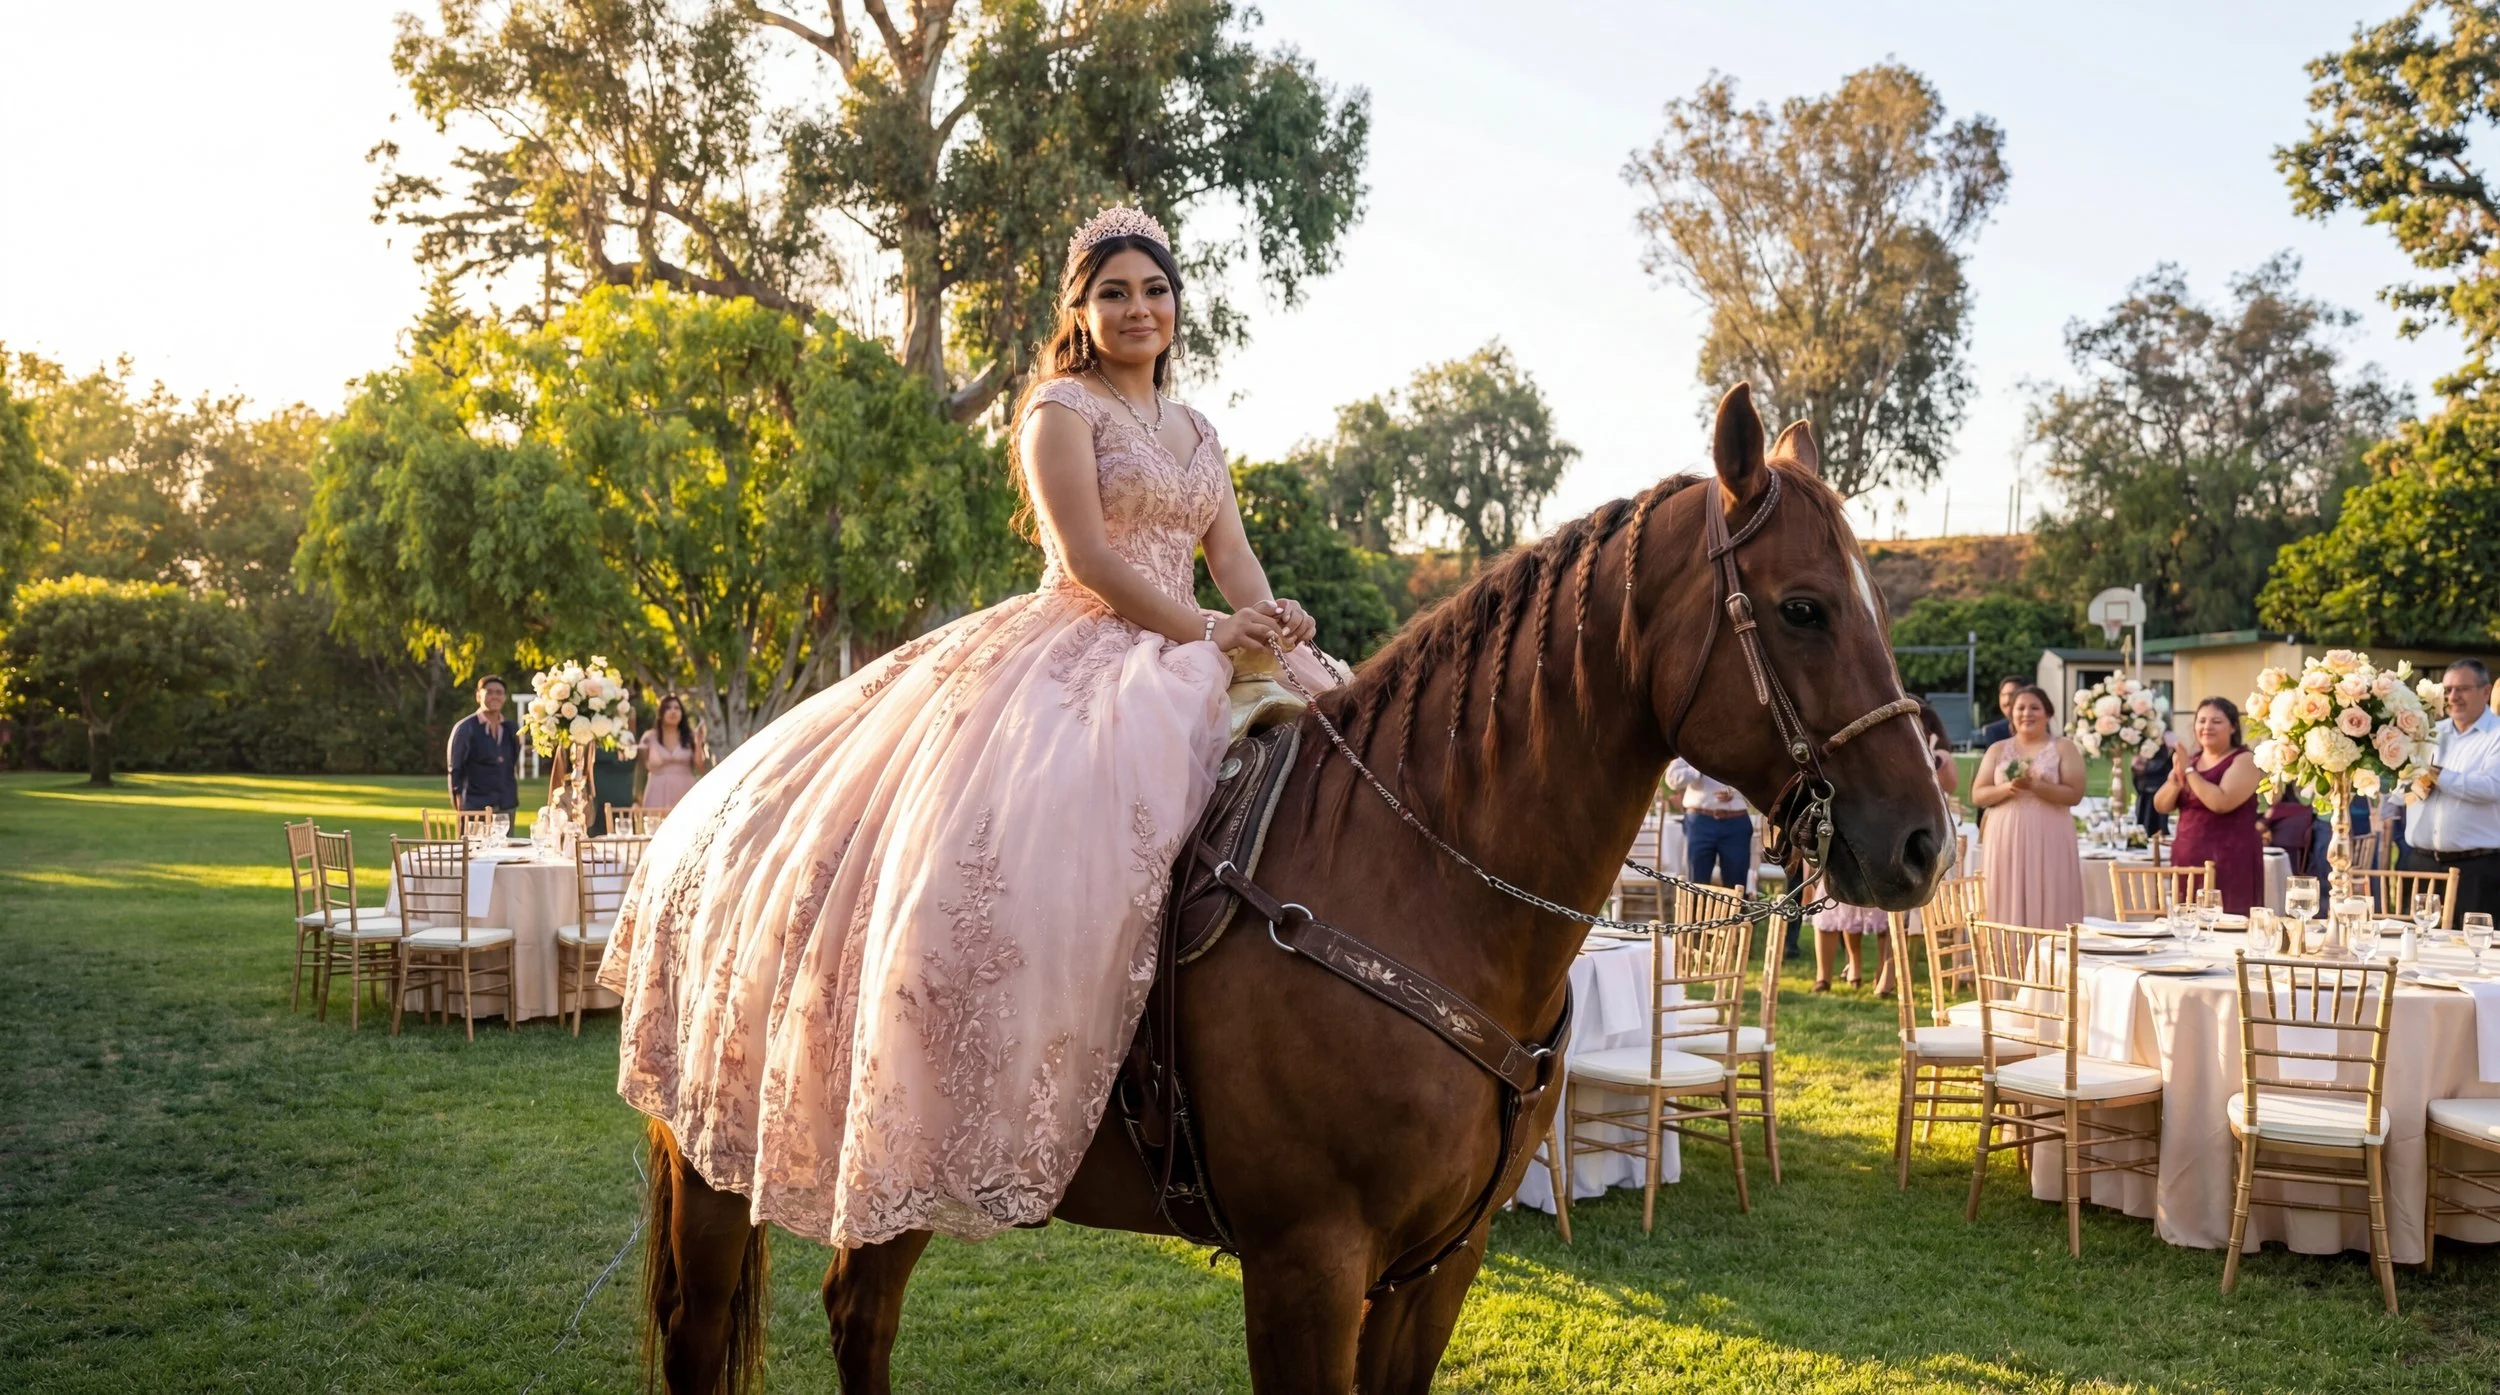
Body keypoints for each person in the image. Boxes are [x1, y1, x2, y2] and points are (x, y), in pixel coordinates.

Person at [595, 206, 1342, 1248]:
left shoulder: (1198, 431)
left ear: (1178, 307)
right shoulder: (1058, 410)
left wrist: (1272, 615)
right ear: (1080, 312)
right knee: (1057, 829)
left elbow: (1234, 559)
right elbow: (1089, 559)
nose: (1139, 308)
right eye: (1114, 292)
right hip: (1089, 645)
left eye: (1155, 290)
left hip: (1202, 635)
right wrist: (1215, 634)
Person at [1854, 702, 1964, 996]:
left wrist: (1929, 752)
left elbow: (1948, 784)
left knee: (1921, 911)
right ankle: (1888, 971)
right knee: (1897, 911)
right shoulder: (1894, 754)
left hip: (1930, 833)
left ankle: (1907, 972)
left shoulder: (1940, 756)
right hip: (1900, 831)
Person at [1972, 685, 2086, 932]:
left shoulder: (2063, 747)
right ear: (2011, 714)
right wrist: (2007, 789)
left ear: (2047, 713)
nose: (2027, 713)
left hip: (2050, 834)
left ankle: (2051, 960)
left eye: (2035, 707)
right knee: (2005, 893)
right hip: (2005, 836)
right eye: (2020, 708)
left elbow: (2074, 794)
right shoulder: (1998, 749)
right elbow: (1978, 795)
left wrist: (2036, 786)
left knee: (2049, 889)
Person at [2403, 658, 2500, 920]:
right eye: (2448, 690)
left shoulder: (2497, 735)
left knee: (2475, 953)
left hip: (2476, 869)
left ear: (2486, 691)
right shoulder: (2429, 733)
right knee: (2417, 952)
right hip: (2422, 866)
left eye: (2462, 689)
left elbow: (2492, 787)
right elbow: (2400, 793)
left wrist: (2437, 776)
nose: (2453, 697)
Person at [2154, 697, 2264, 914]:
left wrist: (2187, 772)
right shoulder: (2192, 761)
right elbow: (2161, 805)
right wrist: (2176, 781)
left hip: (2230, 858)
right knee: (2187, 923)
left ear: (2233, 727)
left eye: (2216, 721)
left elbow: (2221, 802)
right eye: (2201, 721)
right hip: (2187, 858)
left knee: (2226, 923)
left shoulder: (2244, 760)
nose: (2207, 727)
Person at [1666, 756, 1751, 890]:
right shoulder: (1691, 744)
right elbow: (1672, 779)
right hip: (1699, 822)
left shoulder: (1744, 744)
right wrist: (1699, 767)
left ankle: (1736, 911)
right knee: (1696, 884)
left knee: (1737, 885)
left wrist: (1736, 792)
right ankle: (1694, 911)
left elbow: (1758, 779)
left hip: (1736, 824)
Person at [445, 674, 521, 815]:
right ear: (478, 696)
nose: (495, 696)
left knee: (506, 838)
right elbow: (455, 767)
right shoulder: (465, 728)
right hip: (475, 804)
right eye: (489, 692)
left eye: (499, 693)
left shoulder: (511, 728)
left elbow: (512, 760)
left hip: (506, 804)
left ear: (505, 697)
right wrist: (457, 798)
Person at [548, 739, 638, 837]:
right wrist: (616, 755)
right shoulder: (582, 740)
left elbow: (632, 759)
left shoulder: (622, 736)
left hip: (620, 799)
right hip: (592, 799)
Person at [638, 693, 706, 813]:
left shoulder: (690, 737)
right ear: (661, 713)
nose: (673, 711)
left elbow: (700, 767)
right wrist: (636, 799)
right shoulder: (650, 737)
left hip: (685, 790)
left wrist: (699, 743)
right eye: (668, 708)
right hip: (657, 791)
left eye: (677, 708)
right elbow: (641, 771)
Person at [2263, 792, 2316, 877]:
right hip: (2299, 846)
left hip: (2280, 847)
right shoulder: (2305, 808)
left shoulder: (2279, 808)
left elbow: (2260, 826)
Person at [2131, 733, 2175, 837]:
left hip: (2157, 788)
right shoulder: (2142, 736)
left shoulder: (2165, 739)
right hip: (2145, 790)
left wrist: (2145, 767)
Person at [1974, 675, 2026, 749]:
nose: (2006, 701)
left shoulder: (2038, 725)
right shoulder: (1994, 732)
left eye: (2011, 695)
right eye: (2003, 695)